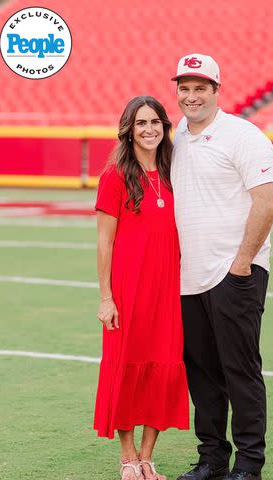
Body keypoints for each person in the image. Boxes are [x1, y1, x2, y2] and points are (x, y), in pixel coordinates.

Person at [170, 54, 273, 480]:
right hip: (189, 278)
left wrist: (240, 265)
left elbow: (267, 202)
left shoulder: (243, 136)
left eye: (201, 88)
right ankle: (212, 458)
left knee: (240, 370)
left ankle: (249, 464)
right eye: (185, 87)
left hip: (235, 273)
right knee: (202, 374)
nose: (191, 95)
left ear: (217, 90)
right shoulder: (177, 134)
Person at [94, 95, 189, 480]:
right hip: (129, 290)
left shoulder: (174, 172)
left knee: (163, 369)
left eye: (155, 122)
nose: (149, 129)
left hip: (169, 290)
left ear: (165, 127)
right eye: (140, 123)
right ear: (128, 130)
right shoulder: (115, 176)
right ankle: (128, 456)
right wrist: (106, 297)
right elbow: (104, 242)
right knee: (126, 368)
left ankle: (148, 457)